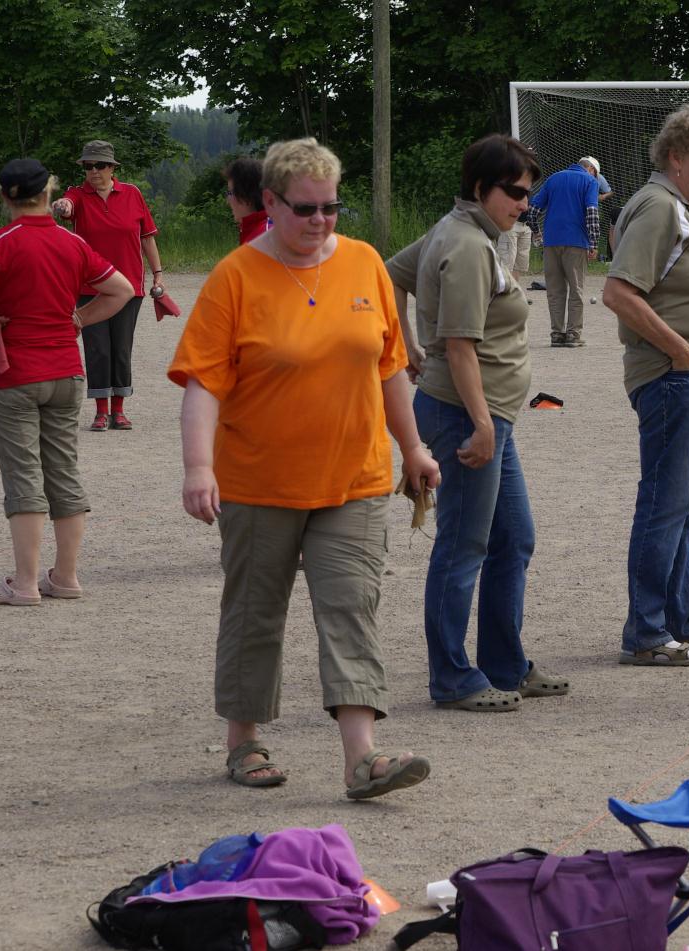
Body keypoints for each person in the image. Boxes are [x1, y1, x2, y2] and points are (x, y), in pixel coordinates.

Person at [170, 138, 437, 798]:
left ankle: (362, 759)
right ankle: (245, 739)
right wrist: (199, 466)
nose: (320, 221)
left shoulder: (365, 263)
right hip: (261, 481)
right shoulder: (235, 275)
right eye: (305, 209)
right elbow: (203, 382)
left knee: (351, 609)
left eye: (332, 208)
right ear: (270, 202)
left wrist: (413, 448)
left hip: (355, 477)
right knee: (256, 611)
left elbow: (389, 367)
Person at [385, 134, 569, 712]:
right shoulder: (465, 244)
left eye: (527, 194)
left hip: (491, 414)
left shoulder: (471, 232)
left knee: (513, 538)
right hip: (468, 414)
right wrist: (481, 424)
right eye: (514, 193)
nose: (523, 203)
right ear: (480, 188)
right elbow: (461, 347)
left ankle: (503, 662)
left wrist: (409, 348)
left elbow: (390, 272)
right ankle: (452, 676)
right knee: (463, 546)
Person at [603, 104, 689, 667]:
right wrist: (684, 354)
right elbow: (619, 293)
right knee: (666, 504)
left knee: (688, 504)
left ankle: (681, 623)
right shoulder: (659, 208)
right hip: (673, 377)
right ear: (675, 156)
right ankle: (645, 633)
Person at [0, 159, 133, 607]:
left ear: (5, 196)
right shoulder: (72, 242)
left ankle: (25, 584)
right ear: (49, 191)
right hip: (67, 372)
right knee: (64, 472)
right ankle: (65, 577)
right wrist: (79, 319)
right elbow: (121, 289)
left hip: (13, 374)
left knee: (23, 478)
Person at [53, 140, 165, 432]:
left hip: (130, 286)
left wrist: (158, 273)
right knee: (97, 347)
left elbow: (147, 237)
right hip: (90, 287)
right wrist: (61, 206)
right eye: (88, 166)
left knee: (121, 348)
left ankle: (119, 410)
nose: (93, 171)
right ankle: (101, 411)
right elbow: (67, 207)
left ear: (112, 168)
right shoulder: (77, 195)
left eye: (99, 165)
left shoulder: (132, 193)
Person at [529, 157, 599, 348]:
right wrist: (593, 241)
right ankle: (573, 334)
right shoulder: (590, 181)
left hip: (551, 241)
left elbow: (534, 209)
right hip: (576, 241)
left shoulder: (553, 179)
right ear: (591, 169)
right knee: (576, 289)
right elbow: (592, 211)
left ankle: (557, 334)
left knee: (555, 290)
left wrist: (536, 231)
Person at [223, 157, 270, 245]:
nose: (227, 201)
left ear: (246, 196)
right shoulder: (260, 231)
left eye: (230, 192)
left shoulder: (264, 239)